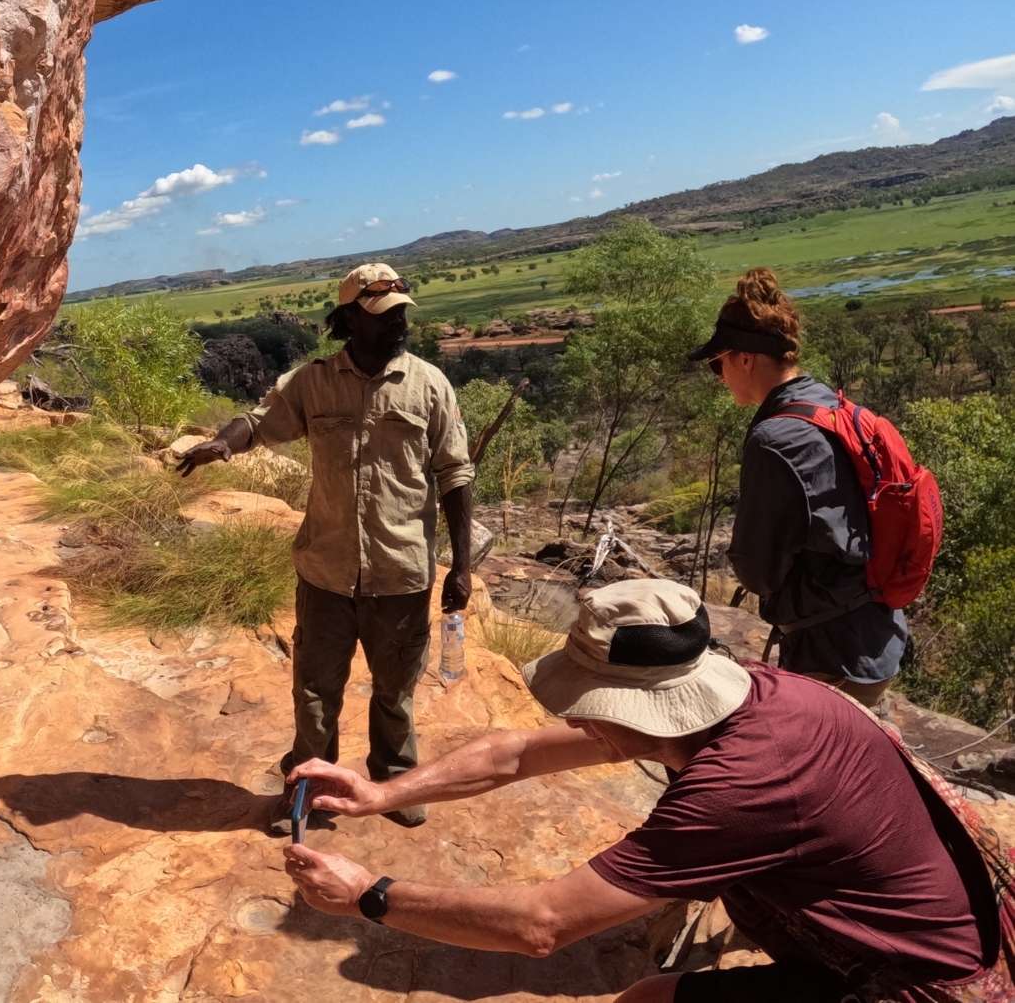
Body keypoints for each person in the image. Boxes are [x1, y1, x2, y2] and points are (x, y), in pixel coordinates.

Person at [279, 579, 1008, 1001]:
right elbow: (516, 755)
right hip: (918, 935)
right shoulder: (757, 696)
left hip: (910, 986)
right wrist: (379, 792)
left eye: (586, 698)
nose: (573, 716)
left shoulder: (736, 792)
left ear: (636, 709)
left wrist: (369, 894)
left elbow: (541, 926)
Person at [178, 263, 474, 827]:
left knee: (395, 691)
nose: (398, 327)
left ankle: (391, 781)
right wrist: (220, 444)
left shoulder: (430, 384)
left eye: (401, 315)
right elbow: (259, 421)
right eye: (383, 318)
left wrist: (460, 566)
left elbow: (456, 475)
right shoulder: (312, 382)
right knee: (315, 691)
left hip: (401, 572)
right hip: (325, 572)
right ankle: (310, 787)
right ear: (347, 322)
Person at [690, 267, 907, 708]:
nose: (719, 375)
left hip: (829, 658)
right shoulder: (832, 407)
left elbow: (757, 569)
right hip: (877, 636)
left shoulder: (776, 439)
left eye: (719, 363)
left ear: (744, 358)